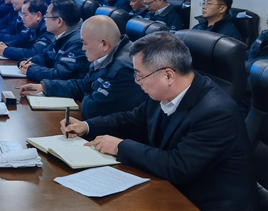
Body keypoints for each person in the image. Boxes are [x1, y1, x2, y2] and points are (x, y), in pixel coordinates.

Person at [61, 32, 256, 210]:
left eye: (139, 75)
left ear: (168, 75)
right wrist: (87, 126)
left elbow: (177, 166)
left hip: (205, 203)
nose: (136, 81)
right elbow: (131, 120)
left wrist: (120, 146)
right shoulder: (162, 93)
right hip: (173, 190)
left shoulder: (216, 113)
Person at [19, 16, 146, 118]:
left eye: (85, 43)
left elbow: (93, 109)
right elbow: (83, 85)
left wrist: (89, 92)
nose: (83, 48)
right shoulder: (106, 56)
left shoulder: (122, 70)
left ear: (104, 44)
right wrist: (45, 87)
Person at [19, 0, 90, 82]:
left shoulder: (78, 42)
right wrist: (26, 62)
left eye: (47, 16)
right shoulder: (61, 35)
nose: (44, 20)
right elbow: (45, 57)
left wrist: (31, 69)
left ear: (59, 21)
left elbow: (61, 75)